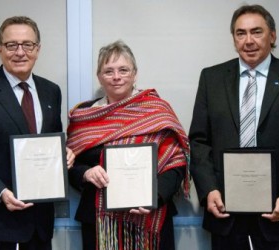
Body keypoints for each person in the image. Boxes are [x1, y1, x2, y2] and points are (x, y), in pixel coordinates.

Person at [189, 4, 279, 250]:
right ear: (233, 38)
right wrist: (208, 189)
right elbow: (199, 141)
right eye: (241, 33)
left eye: (257, 32)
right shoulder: (211, 79)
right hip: (226, 214)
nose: (248, 40)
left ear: (272, 35)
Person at [0, 16, 75, 250]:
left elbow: (50, 141)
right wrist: (0, 193)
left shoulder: (51, 91)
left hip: (39, 224)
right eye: (12, 45)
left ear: (37, 49)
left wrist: (63, 154)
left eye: (27, 44)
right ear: (0, 50)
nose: (20, 52)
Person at [66, 40, 190, 250]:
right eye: (108, 71)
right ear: (99, 77)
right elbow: (69, 164)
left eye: (123, 70)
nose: (116, 77)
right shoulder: (83, 115)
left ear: (135, 74)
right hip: (100, 223)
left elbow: (176, 162)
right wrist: (85, 174)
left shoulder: (156, 110)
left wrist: (154, 196)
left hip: (151, 219)